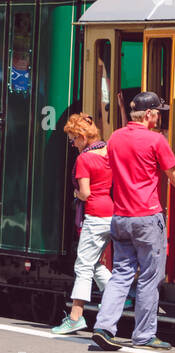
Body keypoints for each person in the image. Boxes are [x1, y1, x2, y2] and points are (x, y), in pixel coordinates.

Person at [90, 92, 175, 352]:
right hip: (147, 216)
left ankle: (104, 327)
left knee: (121, 274)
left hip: (121, 216)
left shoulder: (115, 137)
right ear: (148, 114)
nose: (159, 117)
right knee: (150, 275)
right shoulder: (155, 140)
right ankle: (144, 334)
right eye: (158, 112)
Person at [52, 115, 113, 335]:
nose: (72, 144)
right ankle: (120, 297)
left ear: (81, 136)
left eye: (73, 139)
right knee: (93, 262)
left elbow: (86, 193)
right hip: (110, 211)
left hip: (95, 213)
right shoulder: (107, 152)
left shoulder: (84, 160)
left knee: (83, 266)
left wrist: (77, 193)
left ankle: (75, 317)